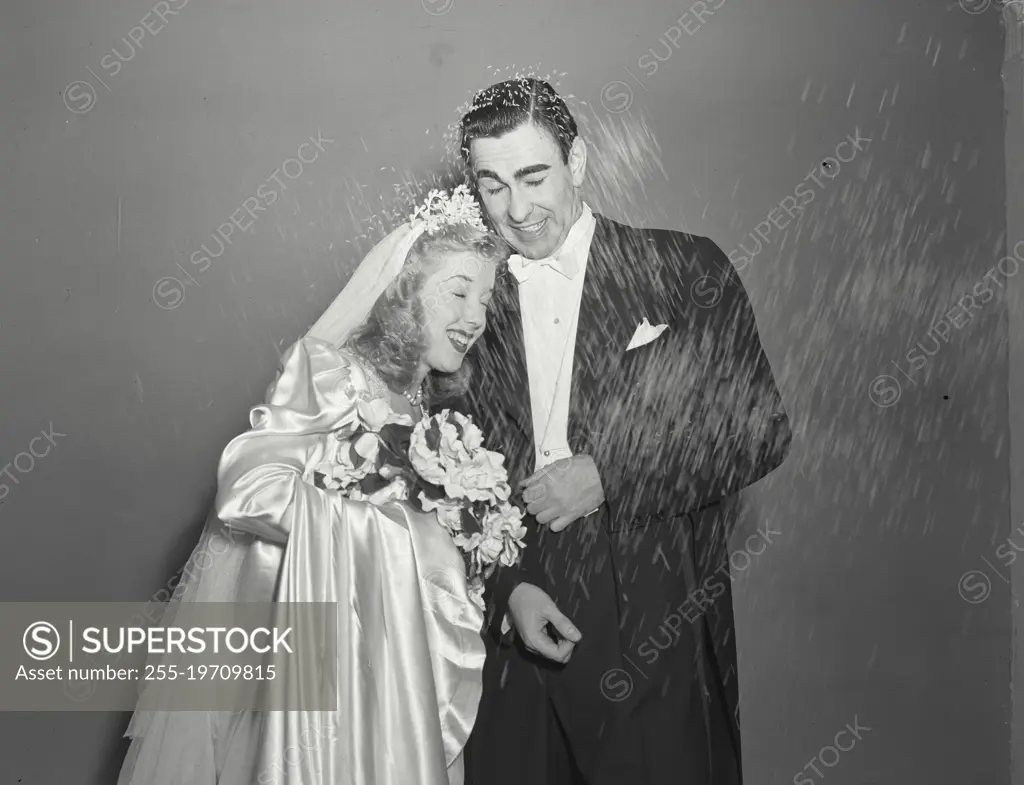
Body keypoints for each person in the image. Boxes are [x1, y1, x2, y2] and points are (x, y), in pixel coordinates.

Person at [454, 78, 793, 785]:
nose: (517, 209)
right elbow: (453, 465)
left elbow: (757, 428)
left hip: (651, 610)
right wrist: (509, 585)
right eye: (492, 186)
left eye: (534, 176)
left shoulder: (684, 267)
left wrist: (608, 473)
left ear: (576, 161)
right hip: (512, 625)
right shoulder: (464, 300)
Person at [116, 186, 511, 785]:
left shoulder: (423, 408)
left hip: (389, 674)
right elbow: (249, 491)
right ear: (404, 290)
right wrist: (404, 536)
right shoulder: (333, 373)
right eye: (458, 291)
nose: (476, 317)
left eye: (485, 298)